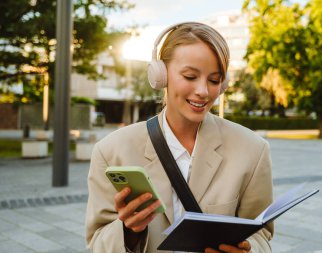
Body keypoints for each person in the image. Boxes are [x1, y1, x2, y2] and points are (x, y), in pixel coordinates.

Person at [85, 22, 274, 253]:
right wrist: (128, 232)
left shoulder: (252, 150)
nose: (203, 91)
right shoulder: (111, 151)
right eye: (190, 76)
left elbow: (261, 234)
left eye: (214, 80)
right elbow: (97, 242)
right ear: (160, 75)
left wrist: (248, 249)